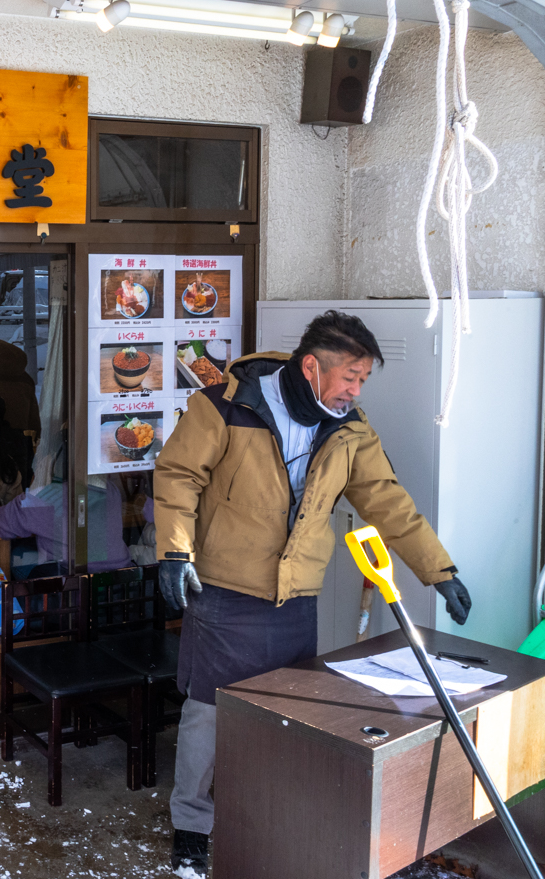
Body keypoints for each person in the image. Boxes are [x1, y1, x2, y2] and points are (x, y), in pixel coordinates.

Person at [153, 310, 473, 872]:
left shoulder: (349, 429)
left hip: (296, 593)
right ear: (311, 368)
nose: (356, 390)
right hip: (225, 587)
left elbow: (386, 500)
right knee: (209, 712)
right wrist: (175, 551)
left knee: (286, 713)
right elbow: (178, 475)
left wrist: (438, 570)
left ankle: (266, 814)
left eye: (362, 379)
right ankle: (192, 826)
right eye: (350, 377)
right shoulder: (226, 404)